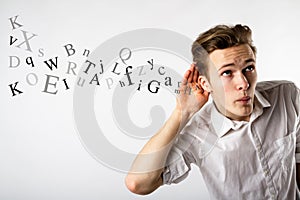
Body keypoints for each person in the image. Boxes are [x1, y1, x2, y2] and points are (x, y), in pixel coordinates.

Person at [125, 24, 300, 199]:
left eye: (249, 68)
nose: (244, 84)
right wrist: (182, 112)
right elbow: (138, 184)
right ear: (205, 84)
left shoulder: (286, 95)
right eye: (227, 73)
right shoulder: (199, 132)